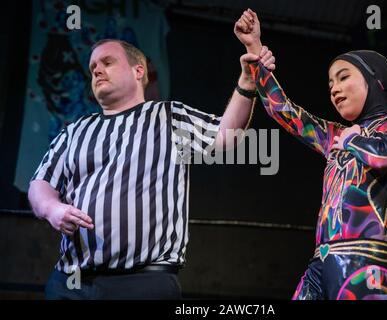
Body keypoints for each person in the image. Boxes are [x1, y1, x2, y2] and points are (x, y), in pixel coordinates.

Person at [28, 38, 274, 299]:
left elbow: (226, 135)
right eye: (93, 67)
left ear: (138, 71)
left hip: (143, 283)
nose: (97, 70)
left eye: (107, 62)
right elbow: (40, 184)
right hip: (72, 282)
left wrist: (247, 83)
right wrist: (52, 209)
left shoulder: (170, 117)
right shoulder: (75, 131)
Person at [234, 9, 387, 300]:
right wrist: (255, 50)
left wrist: (353, 140)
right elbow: (284, 111)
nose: (334, 89)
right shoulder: (335, 134)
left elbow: (385, 155)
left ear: (375, 81)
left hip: (366, 258)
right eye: (330, 84)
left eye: (343, 77)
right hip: (321, 260)